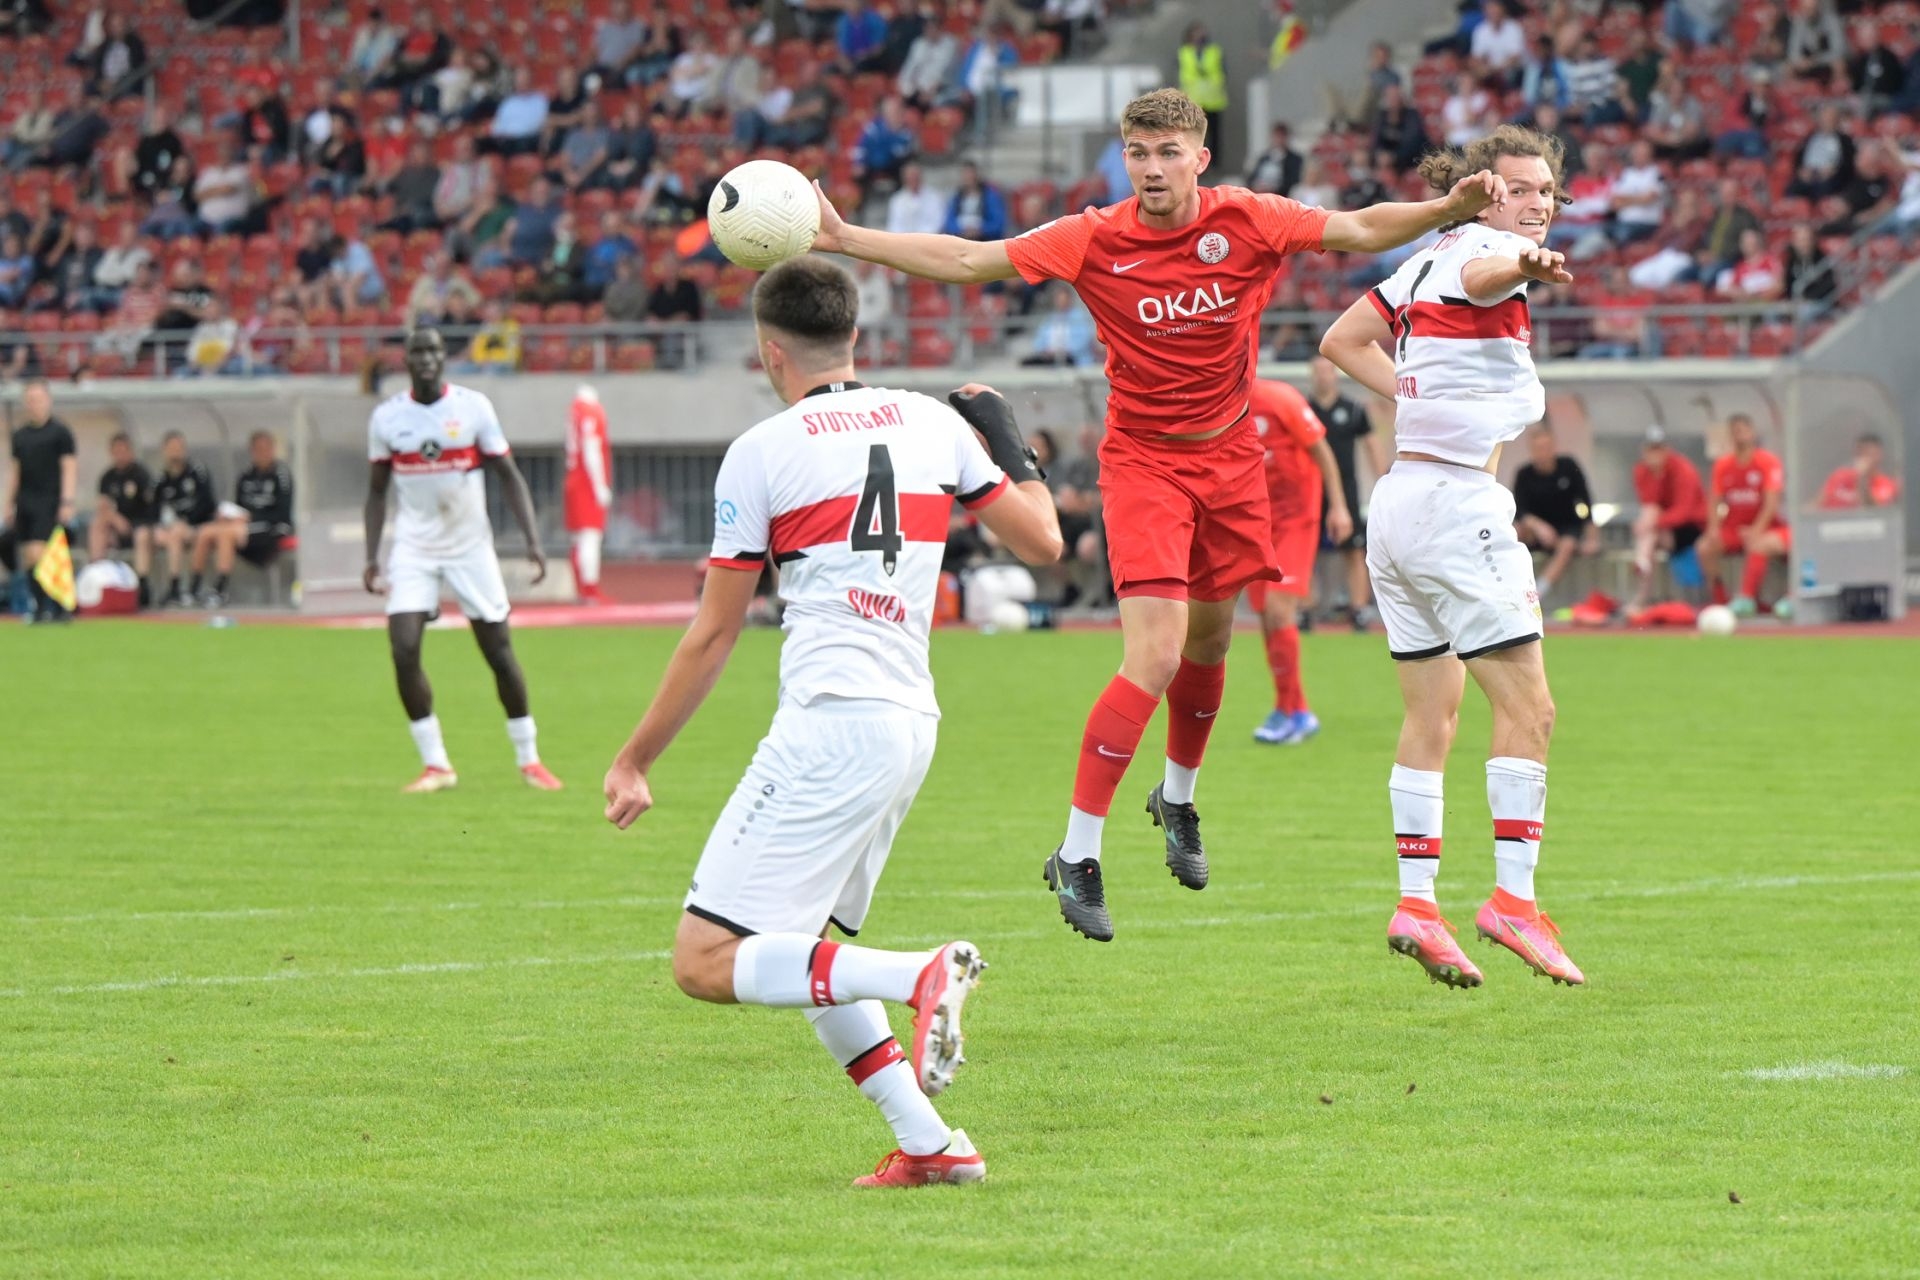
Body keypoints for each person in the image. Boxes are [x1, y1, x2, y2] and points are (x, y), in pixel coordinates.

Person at [809, 86, 1507, 941]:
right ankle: (1077, 851)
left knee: (1210, 647)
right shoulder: (1092, 236)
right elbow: (966, 258)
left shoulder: (1250, 219)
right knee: (1155, 655)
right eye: (1138, 153)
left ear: (1199, 159)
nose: (1152, 168)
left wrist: (1443, 210)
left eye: (1168, 152)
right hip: (1143, 463)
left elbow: (1359, 228)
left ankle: (1177, 799)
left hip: (1232, 458)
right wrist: (847, 237)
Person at [600, 256, 1063, 1188]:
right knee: (802, 946)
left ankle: (919, 974)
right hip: (909, 721)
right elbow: (1046, 542)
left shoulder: (762, 451)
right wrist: (1009, 442)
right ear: (855, 333)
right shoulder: (934, 422)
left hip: (830, 723)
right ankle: (932, 1144)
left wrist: (634, 757)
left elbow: (713, 633)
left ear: (769, 351)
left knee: (703, 959)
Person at [1319, 123, 1585, 990]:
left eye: (1545, 190)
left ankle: (1417, 904)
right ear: (1480, 193)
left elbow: (1340, 341)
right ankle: (1514, 901)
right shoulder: (1482, 253)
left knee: (1432, 714)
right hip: (1458, 507)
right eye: (1518, 189)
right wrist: (1522, 263)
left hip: (1398, 503)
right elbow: (1486, 276)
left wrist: (1414, 396)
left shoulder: (1420, 260)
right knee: (1531, 710)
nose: (1536, 203)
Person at [363, 327, 561, 793]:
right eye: (418, 352)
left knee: (498, 652)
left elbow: (508, 475)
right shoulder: (387, 418)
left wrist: (533, 540)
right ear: (407, 360)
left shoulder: (473, 408)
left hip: (470, 546)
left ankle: (529, 759)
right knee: (403, 648)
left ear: (443, 358)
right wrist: (371, 556)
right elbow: (375, 492)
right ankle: (436, 764)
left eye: (433, 351)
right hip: (414, 547)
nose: (426, 359)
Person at [1245, 379, 1352, 746]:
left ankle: (1295, 713)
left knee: (1279, 609)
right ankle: (1291, 708)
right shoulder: (1218, 406)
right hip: (1255, 522)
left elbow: (1321, 449)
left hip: (1295, 519)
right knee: (1265, 615)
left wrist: (1338, 506)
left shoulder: (1279, 399)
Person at [1306, 355, 1387, 631]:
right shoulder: (1303, 409)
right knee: (1308, 551)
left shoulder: (1352, 410)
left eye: (1327, 371)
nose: (1323, 376)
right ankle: (1306, 607)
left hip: (1346, 490)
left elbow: (1371, 444)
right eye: (1318, 371)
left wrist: (1383, 481)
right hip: (1311, 490)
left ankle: (1359, 608)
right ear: (1312, 375)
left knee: (1353, 549)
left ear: (1335, 375)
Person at [1700, 413, 1791, 616]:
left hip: (1768, 527)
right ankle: (1721, 600)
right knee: (1705, 547)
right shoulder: (1723, 465)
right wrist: (1713, 528)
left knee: (1760, 543)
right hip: (1735, 527)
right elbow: (1715, 500)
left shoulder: (1767, 462)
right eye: (1735, 431)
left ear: (1753, 433)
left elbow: (1771, 503)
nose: (1739, 435)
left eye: (1743, 430)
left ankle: (1748, 599)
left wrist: (1756, 530)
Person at [191, 430, 293, 608]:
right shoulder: (246, 476)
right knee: (206, 531)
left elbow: (282, 514)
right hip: (244, 527)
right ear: (252, 451)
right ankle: (194, 588)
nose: (263, 453)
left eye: (267, 448)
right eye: (258, 449)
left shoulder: (281, 475)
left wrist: (250, 518)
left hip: (273, 528)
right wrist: (229, 517)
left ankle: (220, 590)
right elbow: (239, 507)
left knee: (226, 533)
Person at [5, 378, 77, 622]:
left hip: (49, 499)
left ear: (48, 400)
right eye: (30, 399)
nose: (34, 404)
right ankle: (40, 606)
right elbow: (16, 472)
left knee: (41, 552)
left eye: (38, 399)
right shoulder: (20, 436)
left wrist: (67, 501)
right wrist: (9, 503)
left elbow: (69, 467)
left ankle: (53, 603)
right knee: (28, 555)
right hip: (25, 499)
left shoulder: (60, 432)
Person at [1510, 425, 1600, 600]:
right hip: (1535, 530)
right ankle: (1509, 585)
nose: (1543, 453)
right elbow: (1519, 510)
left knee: (1567, 545)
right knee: (1514, 531)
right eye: (1538, 448)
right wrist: (1538, 526)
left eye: (1546, 447)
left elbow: (1584, 502)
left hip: (1566, 527)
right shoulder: (1524, 474)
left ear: (1553, 447)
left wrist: (1592, 536)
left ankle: (1538, 592)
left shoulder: (1569, 466)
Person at [1626, 425, 1709, 613]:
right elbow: (1649, 502)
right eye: (1651, 449)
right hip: (1662, 530)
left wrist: (1653, 523)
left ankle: (1641, 569)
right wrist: (1656, 476)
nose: (1655, 455)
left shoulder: (1683, 469)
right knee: (1650, 522)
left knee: (1649, 525)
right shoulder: (1642, 471)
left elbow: (1684, 511)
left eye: (1659, 449)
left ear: (1667, 449)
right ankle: (1642, 581)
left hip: (1690, 528)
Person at [90, 431, 156, 604]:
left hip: (140, 526)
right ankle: (95, 575)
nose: (120, 455)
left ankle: (142, 586)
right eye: (116, 451)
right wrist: (115, 519)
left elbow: (150, 508)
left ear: (130, 451)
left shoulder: (141, 475)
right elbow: (103, 506)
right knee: (98, 525)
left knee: (142, 535)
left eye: (123, 450)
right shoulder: (107, 478)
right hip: (117, 528)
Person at [152, 431, 216, 606]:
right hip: (172, 531)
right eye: (171, 447)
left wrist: (187, 521)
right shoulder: (161, 480)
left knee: (177, 532)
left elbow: (208, 503)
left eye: (178, 447)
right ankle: (162, 589)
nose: (175, 451)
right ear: (164, 450)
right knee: (159, 534)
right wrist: (159, 527)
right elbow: (155, 509)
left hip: (196, 527)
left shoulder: (197, 472)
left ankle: (183, 587)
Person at [566, 384, 613, 604]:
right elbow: (591, 448)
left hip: (573, 477)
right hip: (585, 480)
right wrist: (599, 485)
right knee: (591, 536)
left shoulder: (574, 410)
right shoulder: (590, 411)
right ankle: (590, 589)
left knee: (579, 538)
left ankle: (581, 589)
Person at [1818, 432, 1900, 508]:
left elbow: (1873, 510)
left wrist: (1862, 479)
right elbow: (1818, 504)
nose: (1863, 458)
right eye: (1860, 453)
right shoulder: (1840, 476)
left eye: (1868, 453)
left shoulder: (1886, 485)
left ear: (1879, 455)